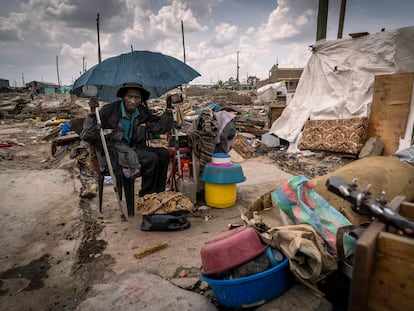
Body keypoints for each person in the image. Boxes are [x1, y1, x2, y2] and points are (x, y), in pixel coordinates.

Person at [81, 82, 174, 215]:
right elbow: (87, 136)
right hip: (114, 151)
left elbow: (160, 127)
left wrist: (169, 108)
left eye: (137, 98)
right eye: (130, 97)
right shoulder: (109, 111)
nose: (133, 101)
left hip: (135, 148)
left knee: (163, 154)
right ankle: (146, 197)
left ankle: (158, 194)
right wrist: (92, 113)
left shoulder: (141, 111)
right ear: (123, 97)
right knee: (151, 158)